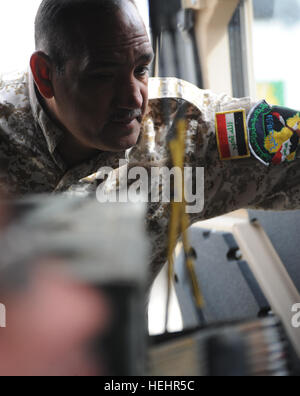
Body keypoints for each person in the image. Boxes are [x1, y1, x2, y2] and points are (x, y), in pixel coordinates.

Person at [0, 0, 299, 282]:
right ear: (45, 74)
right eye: (103, 75)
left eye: (141, 69)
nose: (133, 97)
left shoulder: (185, 131)